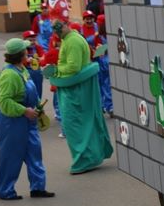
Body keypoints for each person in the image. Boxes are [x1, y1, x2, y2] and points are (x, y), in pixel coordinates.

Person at [47, 18, 113, 173]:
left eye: (57, 29)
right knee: (82, 123)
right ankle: (89, 157)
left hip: (75, 90)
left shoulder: (73, 42)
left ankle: (85, 159)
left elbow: (74, 67)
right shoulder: (70, 39)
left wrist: (56, 70)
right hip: (76, 89)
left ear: (64, 26)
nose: (55, 33)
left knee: (75, 124)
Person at [0, 38, 53, 200]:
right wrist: (24, 111)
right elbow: (5, 102)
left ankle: (38, 188)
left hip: (28, 121)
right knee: (11, 157)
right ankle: (5, 191)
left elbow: (30, 93)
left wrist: (37, 108)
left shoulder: (22, 70)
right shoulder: (9, 75)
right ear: (20, 54)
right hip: (12, 123)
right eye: (26, 51)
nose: (28, 53)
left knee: (34, 153)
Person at [81, 12, 113, 116]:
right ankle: (101, 106)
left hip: (105, 63)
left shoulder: (108, 34)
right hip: (97, 63)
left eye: (91, 18)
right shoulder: (91, 34)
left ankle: (109, 106)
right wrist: (93, 50)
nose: (89, 21)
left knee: (107, 85)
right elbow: (85, 44)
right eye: (87, 19)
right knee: (98, 86)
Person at [22, 29, 46, 99]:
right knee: (29, 92)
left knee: (38, 91)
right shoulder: (22, 49)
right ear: (24, 40)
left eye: (34, 40)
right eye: (30, 40)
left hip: (37, 73)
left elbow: (43, 58)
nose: (32, 42)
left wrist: (40, 59)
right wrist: (26, 61)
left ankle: (38, 106)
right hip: (26, 73)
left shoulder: (38, 47)